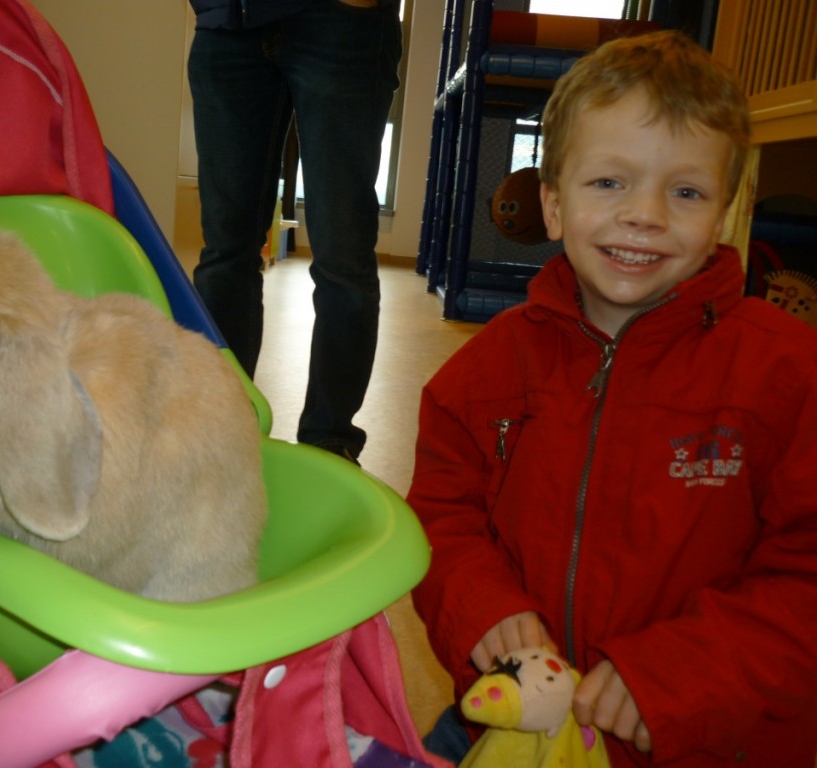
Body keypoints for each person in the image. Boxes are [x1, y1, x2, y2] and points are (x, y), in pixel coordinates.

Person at [408, 29, 817, 767]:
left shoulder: (788, 374)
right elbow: (442, 517)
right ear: (554, 204)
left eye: (685, 191)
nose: (645, 214)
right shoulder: (483, 372)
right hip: (522, 729)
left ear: (725, 211)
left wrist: (680, 671)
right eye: (609, 183)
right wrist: (481, 607)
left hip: (708, 736)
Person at [186, 0, 402, 463]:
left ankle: (330, 441)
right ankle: (218, 426)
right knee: (225, 250)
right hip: (229, 20)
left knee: (342, 253)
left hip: (343, 19)